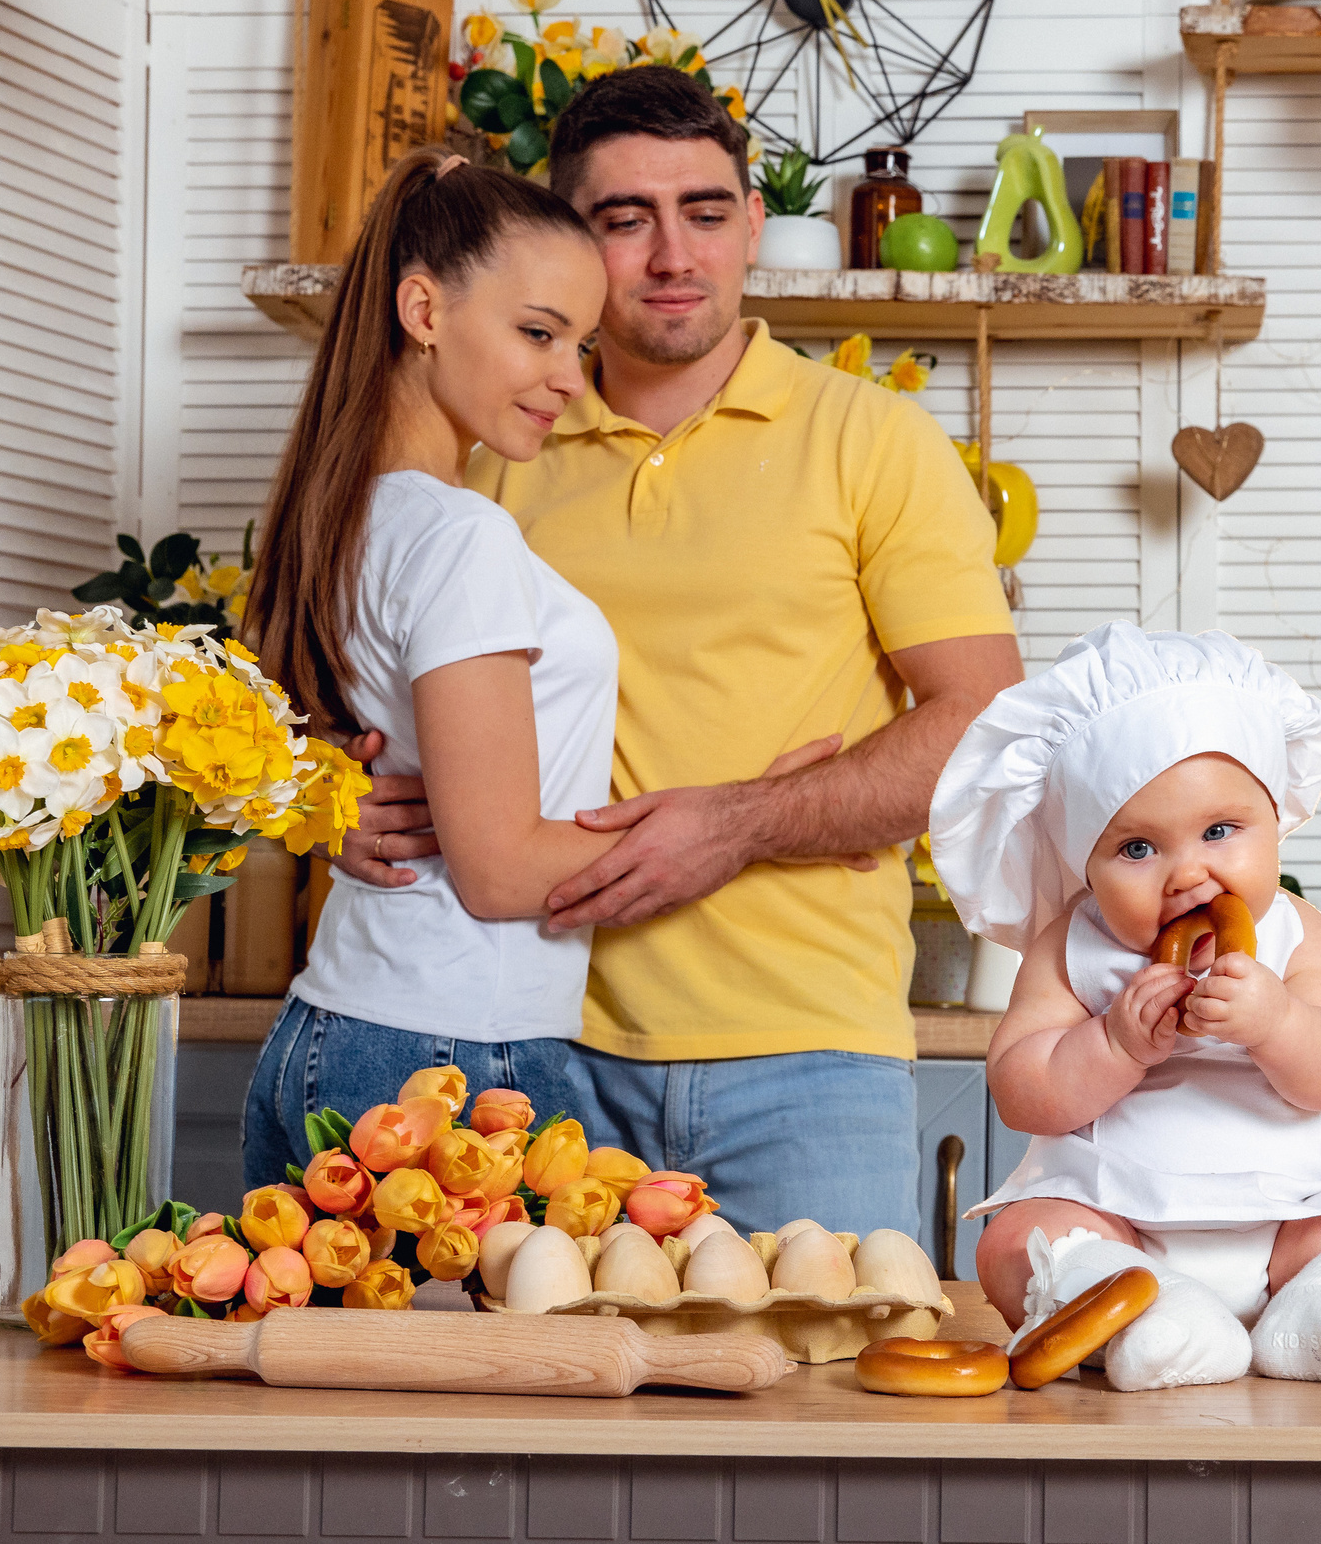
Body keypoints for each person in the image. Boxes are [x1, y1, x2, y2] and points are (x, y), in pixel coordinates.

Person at [334, 67, 1023, 1239]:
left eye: (704, 211)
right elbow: (338, 655)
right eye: (623, 219)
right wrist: (327, 792)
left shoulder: (875, 443)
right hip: (530, 1053)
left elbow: (984, 727)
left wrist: (743, 821)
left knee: (817, 1412)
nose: (671, 254)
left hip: (810, 1055)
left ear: (753, 224)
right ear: (567, 242)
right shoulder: (491, 437)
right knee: (546, 1414)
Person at [930, 623, 1321, 1389]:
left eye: (1220, 830)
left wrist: (1277, 1021)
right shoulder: (1068, 944)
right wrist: (1116, 1043)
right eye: (1138, 849)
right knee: (1012, 1241)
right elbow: (1022, 1092)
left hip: (1292, 1225)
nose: (1188, 874)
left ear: (1275, 821)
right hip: (1124, 1225)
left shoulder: (1294, 931)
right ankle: (1156, 1316)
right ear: (1084, 860)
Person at [236, 147, 619, 1186]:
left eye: (580, 344)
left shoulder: (342, 515)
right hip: (450, 1056)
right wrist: (737, 827)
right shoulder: (462, 536)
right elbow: (496, 871)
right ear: (423, 308)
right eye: (537, 333)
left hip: (337, 1028)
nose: (567, 380)